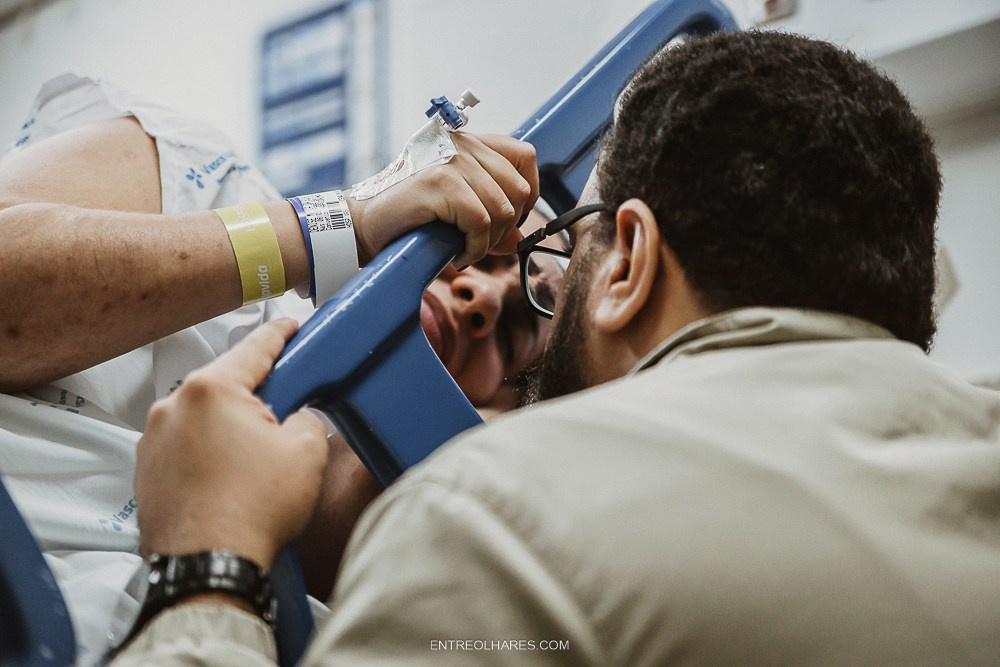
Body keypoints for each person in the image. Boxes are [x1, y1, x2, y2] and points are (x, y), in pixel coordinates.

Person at [114, 30, 1000, 664]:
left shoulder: (498, 523)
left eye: (543, 280)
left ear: (630, 264)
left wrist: (205, 571)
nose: (472, 297)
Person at [0, 74, 542, 665]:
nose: (483, 301)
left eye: (516, 331)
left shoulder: (373, 562)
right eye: (484, 251)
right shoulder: (200, 174)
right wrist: (335, 226)